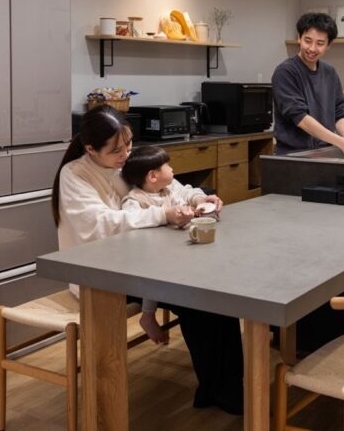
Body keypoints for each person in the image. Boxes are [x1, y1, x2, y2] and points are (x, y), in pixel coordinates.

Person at [51, 105, 243, 415]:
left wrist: (199, 198)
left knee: (219, 293)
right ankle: (222, 390)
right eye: (117, 150)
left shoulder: (123, 160)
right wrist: (163, 214)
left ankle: (227, 387)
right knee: (199, 300)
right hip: (103, 274)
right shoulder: (75, 175)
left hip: (142, 262)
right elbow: (101, 225)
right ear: (90, 149)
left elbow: (172, 187)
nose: (126, 154)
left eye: (128, 144)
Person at [120, 145, 223, 344]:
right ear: (153, 176)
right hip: (150, 260)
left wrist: (198, 206)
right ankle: (148, 315)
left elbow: (185, 198)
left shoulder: (167, 191)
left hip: (173, 253)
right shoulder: (134, 199)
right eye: (167, 166)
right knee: (155, 272)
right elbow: (132, 221)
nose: (172, 169)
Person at [272, 12, 344, 159]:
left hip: (324, 154)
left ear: (328, 45)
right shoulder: (286, 71)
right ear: (299, 38)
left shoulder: (330, 72)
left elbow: (338, 115)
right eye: (308, 41)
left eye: (320, 43)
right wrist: (342, 143)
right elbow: (300, 118)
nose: (312, 49)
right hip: (294, 156)